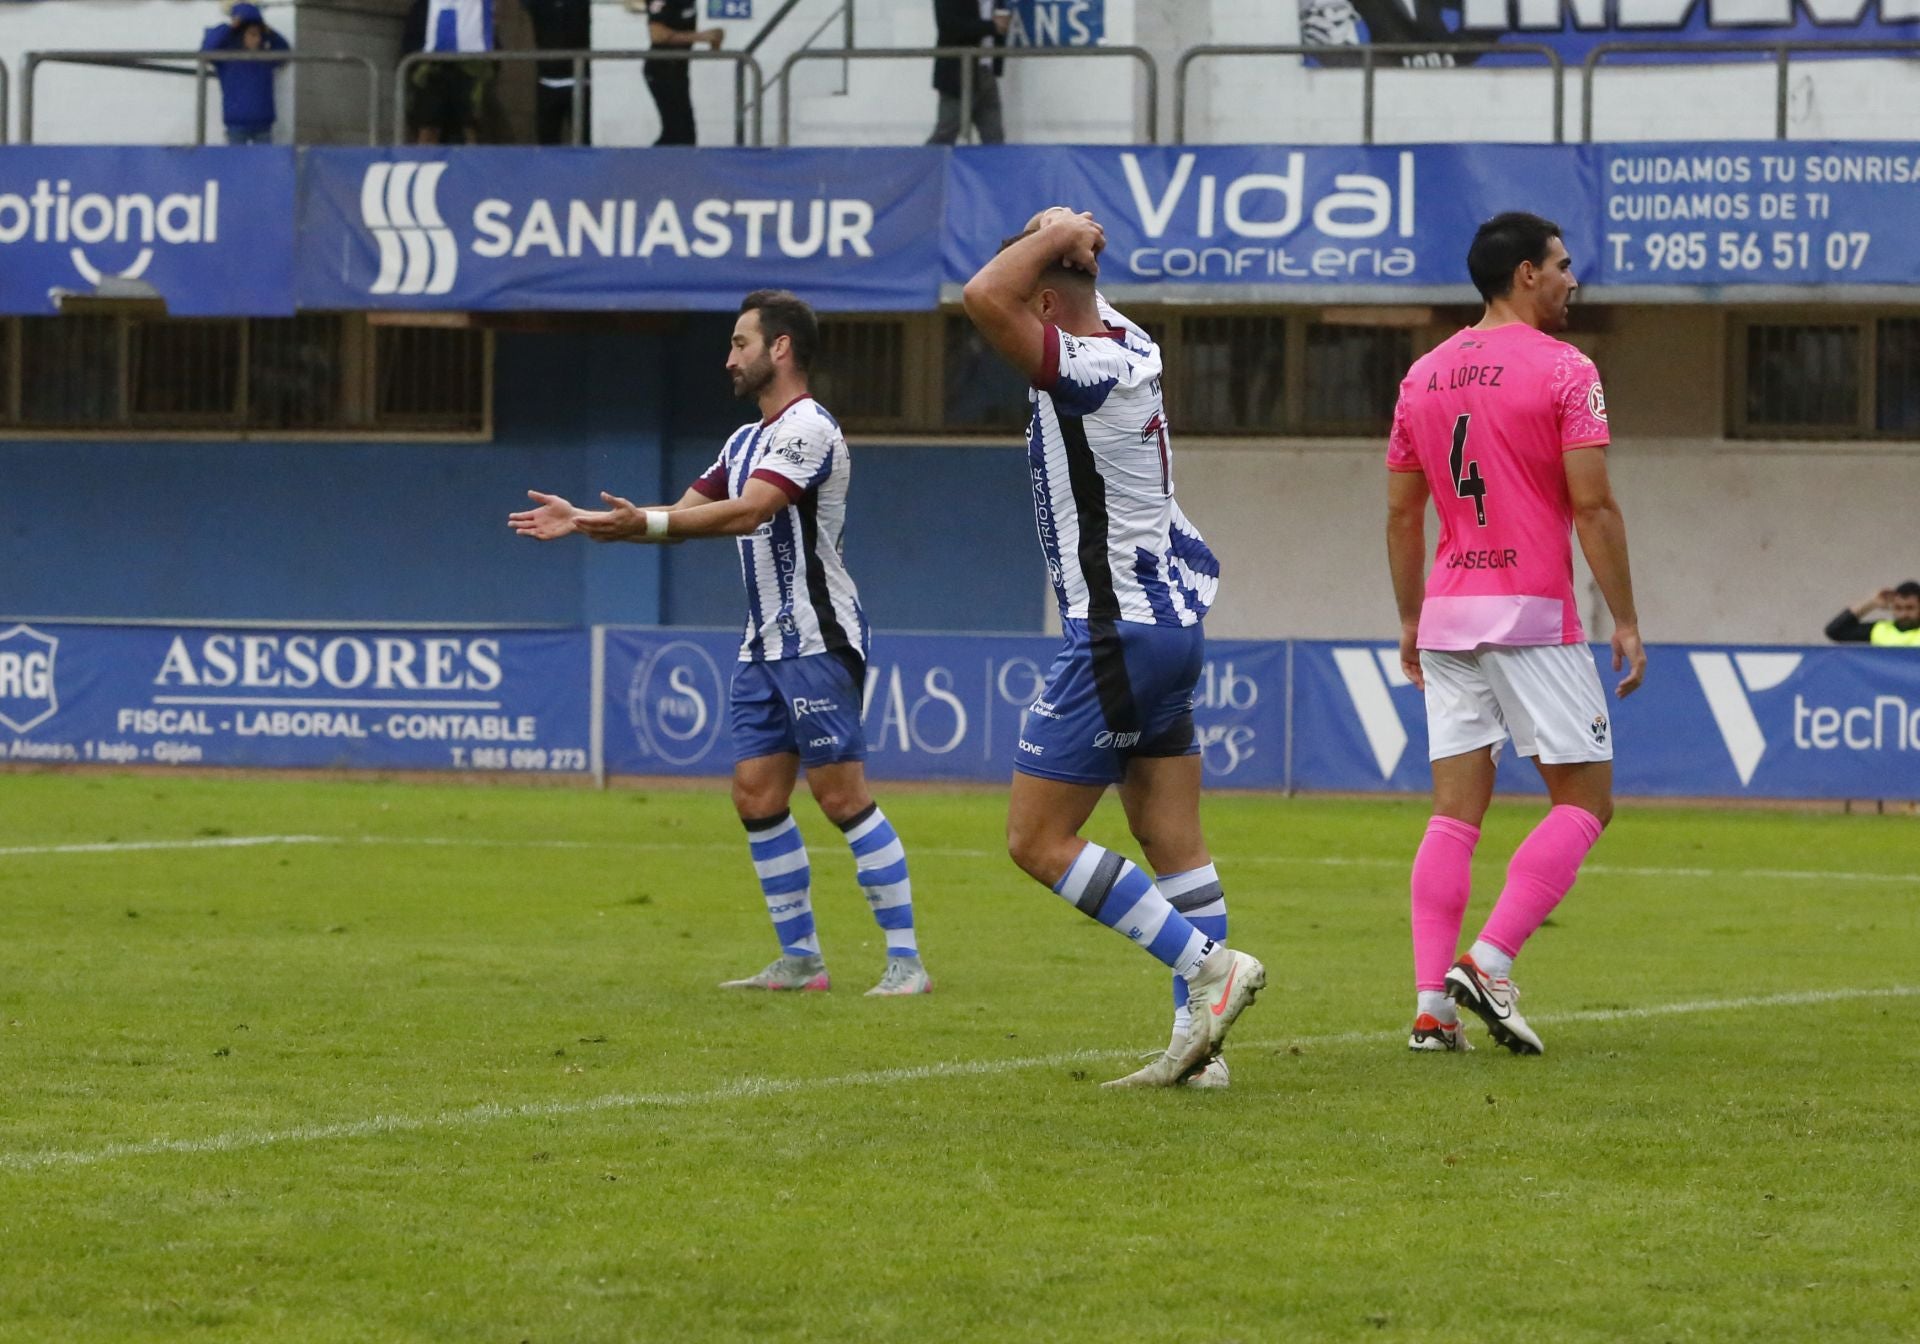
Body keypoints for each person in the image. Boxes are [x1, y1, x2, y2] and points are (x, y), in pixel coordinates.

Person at [508, 291, 930, 998]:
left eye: (740, 342)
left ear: (782, 349)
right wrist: (586, 519)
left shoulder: (808, 429)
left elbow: (753, 511)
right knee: (755, 795)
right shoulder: (742, 442)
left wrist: (651, 525)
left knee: (839, 794)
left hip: (817, 641)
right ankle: (802, 961)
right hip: (761, 647)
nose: (729, 357)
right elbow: (683, 512)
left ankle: (906, 961)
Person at [961, 207, 1264, 1090]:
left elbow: (985, 295)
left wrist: (1056, 231)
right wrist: (1062, 231)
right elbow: (1025, 285)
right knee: (1170, 833)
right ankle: (1201, 1049)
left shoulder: (1086, 367)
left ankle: (1211, 971)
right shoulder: (1127, 337)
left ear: (1047, 301)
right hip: (1167, 627)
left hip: (1118, 630)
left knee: (1036, 840)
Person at [1385, 210, 1645, 1057]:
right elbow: (1593, 503)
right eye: (1564, 265)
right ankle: (1490, 961)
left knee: (1454, 816)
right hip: (1533, 612)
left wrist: (1409, 619)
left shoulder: (1422, 375)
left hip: (1451, 614)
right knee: (1587, 800)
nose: (1575, 279)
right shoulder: (1568, 369)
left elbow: (1401, 511)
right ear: (1526, 273)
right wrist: (1628, 618)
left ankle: (1431, 1008)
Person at [200, 2, 289, 145]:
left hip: (263, 125)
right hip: (236, 125)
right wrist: (230, 27)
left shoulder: (265, 57)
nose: (257, 39)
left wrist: (270, 32)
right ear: (242, 35)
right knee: (236, 165)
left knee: (263, 165)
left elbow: (285, 52)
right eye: (252, 34)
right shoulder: (227, 58)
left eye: (259, 35)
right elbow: (206, 50)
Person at [638, 0, 724, 147]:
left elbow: (686, 30)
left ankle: (669, 165)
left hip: (679, 70)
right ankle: (654, 166)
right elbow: (657, 34)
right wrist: (701, 37)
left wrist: (714, 38)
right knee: (679, 134)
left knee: (683, 133)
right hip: (661, 70)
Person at [414, 0, 495, 145]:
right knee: (428, 125)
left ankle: (470, 164)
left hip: (469, 66)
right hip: (435, 66)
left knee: (469, 126)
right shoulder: (425, 6)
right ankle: (423, 162)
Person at [929, 0, 1009, 145]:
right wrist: (992, 27)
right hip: (957, 75)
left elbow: (1000, 20)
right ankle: (921, 166)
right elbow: (950, 26)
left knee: (995, 138)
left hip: (987, 72)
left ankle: (996, 167)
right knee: (945, 134)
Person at [521, 0, 590, 145]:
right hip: (548, 81)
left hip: (581, 81)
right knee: (547, 144)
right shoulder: (540, 4)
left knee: (585, 145)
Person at [1825, 583, 1920, 646]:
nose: (1904, 614)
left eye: (1910, 608)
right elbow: (1835, 631)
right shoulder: (1879, 630)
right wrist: (1872, 602)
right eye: (1898, 608)